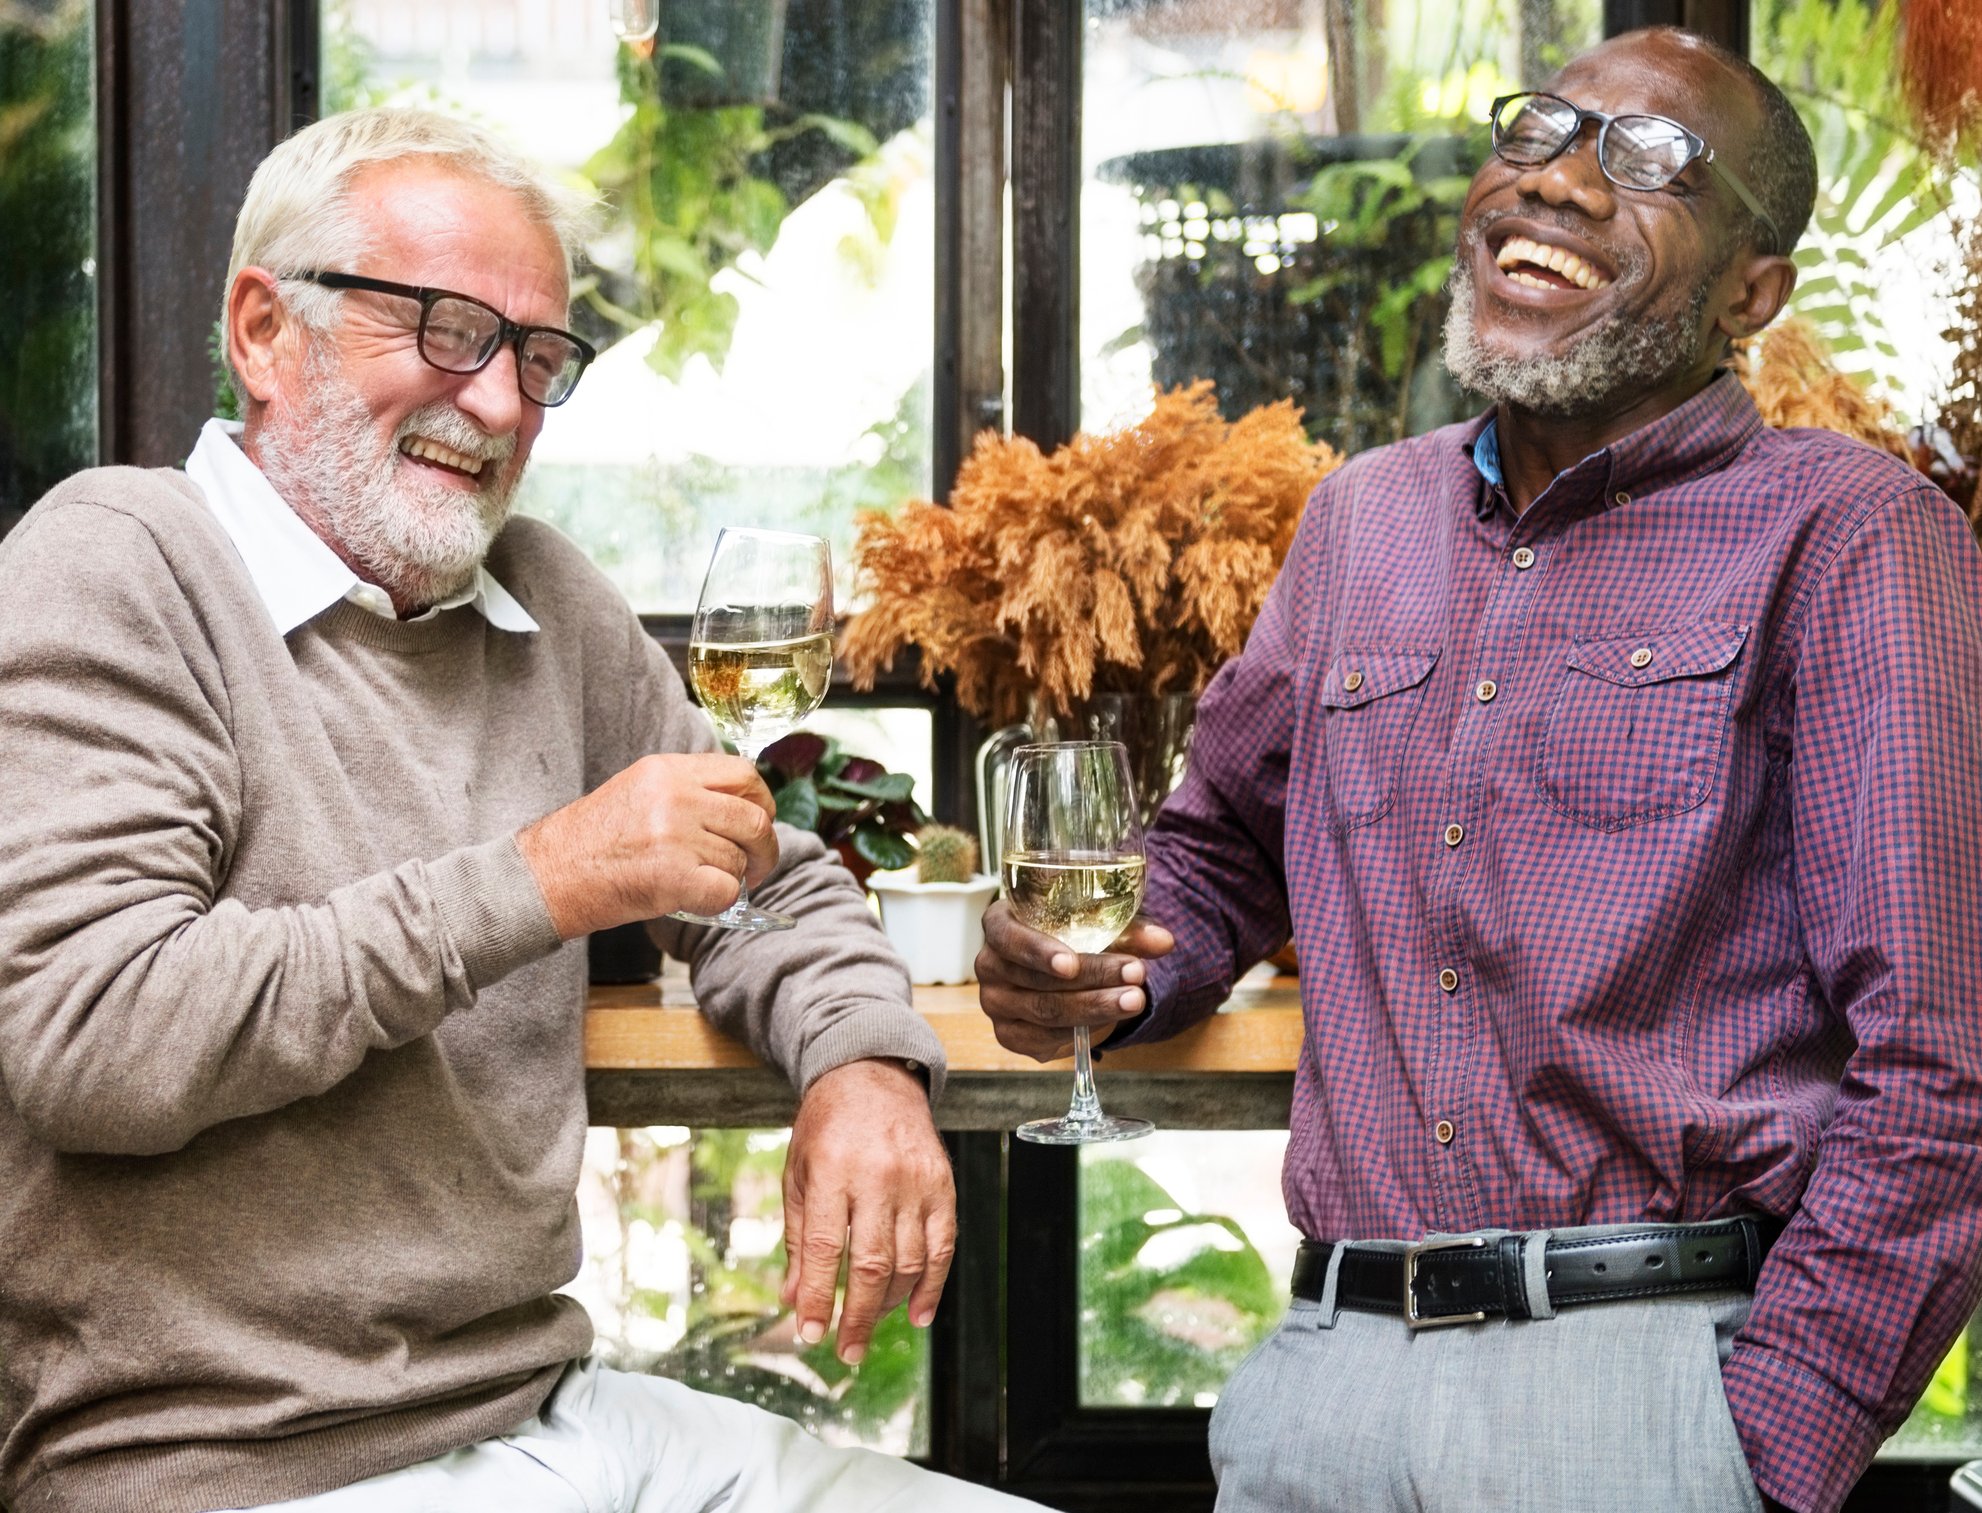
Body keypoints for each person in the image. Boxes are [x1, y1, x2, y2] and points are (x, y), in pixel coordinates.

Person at [978, 26, 1982, 1513]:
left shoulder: (1848, 537)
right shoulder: (1359, 522)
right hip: (1324, 1376)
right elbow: (1213, 856)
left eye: (1647, 163)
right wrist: (1109, 974)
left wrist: (1768, 1439)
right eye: (1536, 133)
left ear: (1749, 294)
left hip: (1635, 1388)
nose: (1558, 182)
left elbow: (1941, 1062)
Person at [0, 109, 1042, 1513]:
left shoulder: (544, 596)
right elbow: (95, 1039)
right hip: (239, 1464)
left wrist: (862, 1064)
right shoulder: (118, 560)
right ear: (264, 330)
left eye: (537, 356)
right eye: (442, 329)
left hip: (555, 1413)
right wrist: (541, 878)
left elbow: (770, 881)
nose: (498, 403)